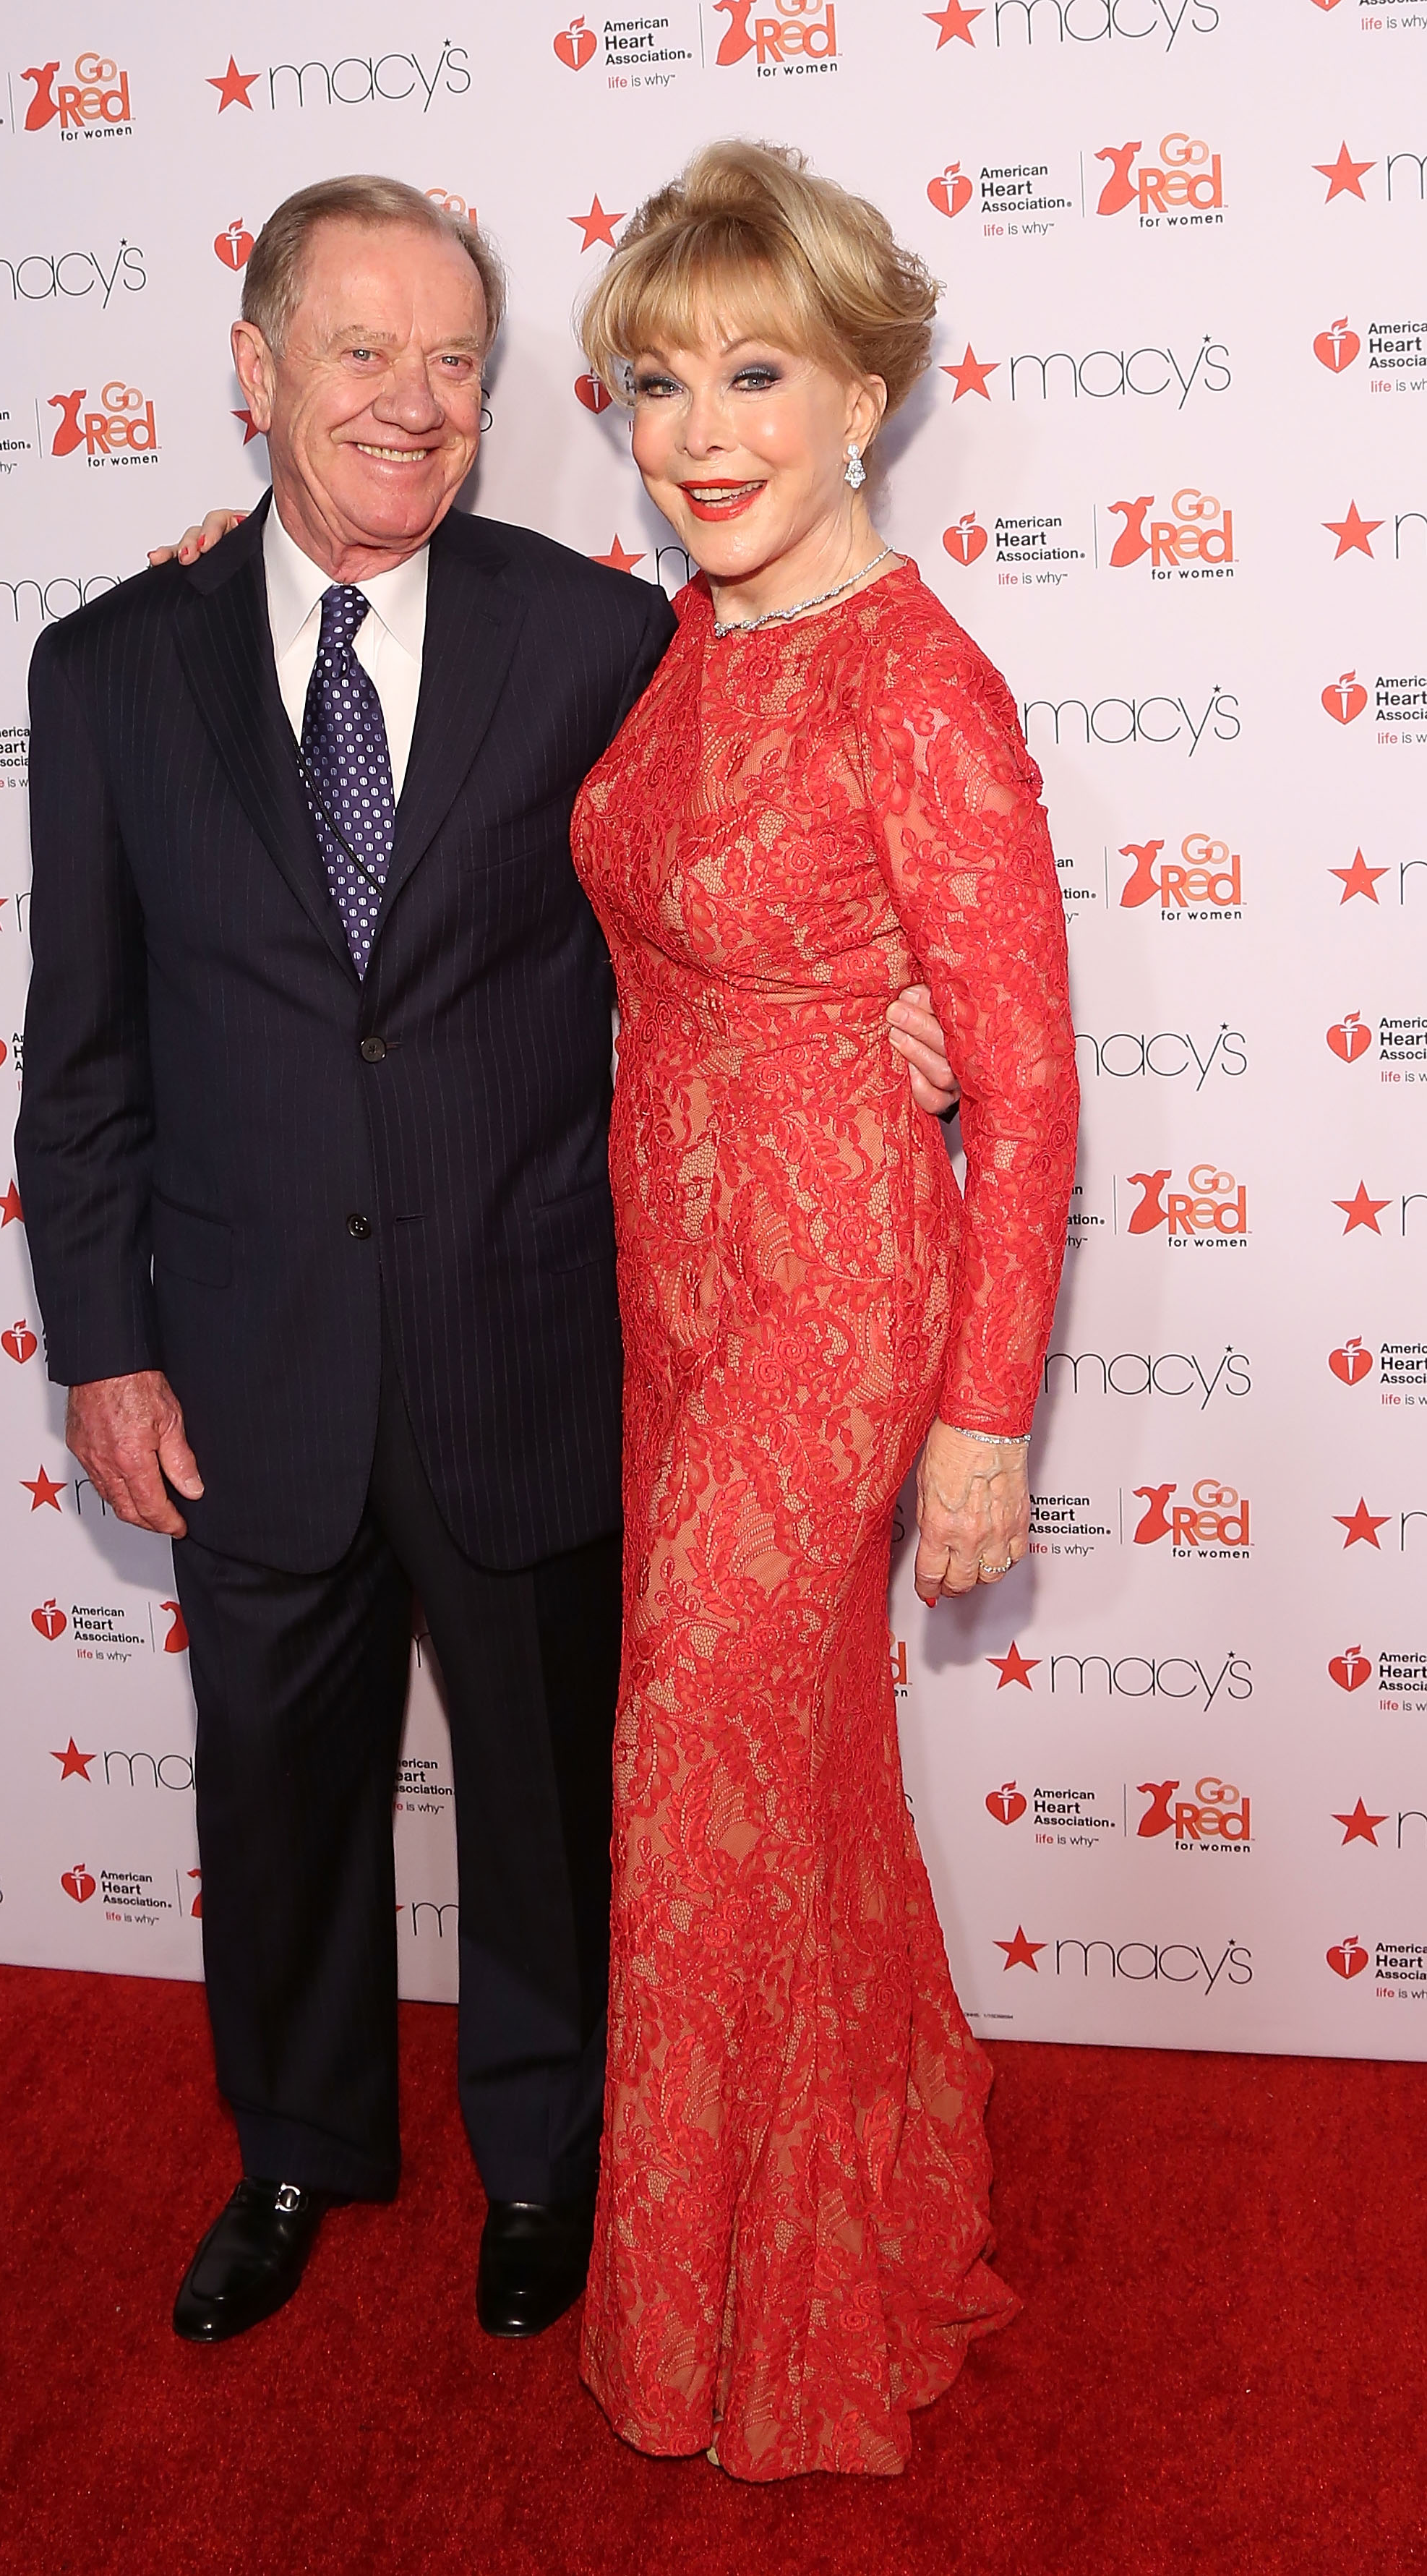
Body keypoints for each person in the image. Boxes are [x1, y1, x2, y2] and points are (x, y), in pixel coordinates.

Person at [17, 174, 959, 2354]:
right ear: (254, 374)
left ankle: (544, 2155)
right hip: (243, 1360)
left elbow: (788, 817)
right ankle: (298, 2143)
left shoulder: (608, 635)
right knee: (275, 1792)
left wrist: (903, 998)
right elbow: (82, 1053)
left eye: (454, 358)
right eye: (359, 351)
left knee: (549, 1799)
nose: (413, 401)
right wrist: (103, 1342)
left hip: (531, 1334)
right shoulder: (109, 671)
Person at [564, 142, 1078, 2481]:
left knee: (685, 1761)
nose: (704, 429)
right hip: (665, 1281)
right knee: (794, 1787)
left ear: (865, 392)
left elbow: (1037, 1085)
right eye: (659, 380)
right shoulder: (688, 632)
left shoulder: (921, 678)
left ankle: (751, 2332)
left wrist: (984, 1417)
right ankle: (834, 2225)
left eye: (756, 369)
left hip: (840, 1288)